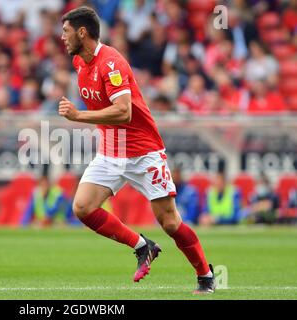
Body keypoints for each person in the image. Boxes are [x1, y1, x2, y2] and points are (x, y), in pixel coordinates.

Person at [59, 6, 215, 294]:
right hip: (111, 150)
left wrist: (79, 116)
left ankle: (205, 274)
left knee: (169, 222)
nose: (62, 37)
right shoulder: (81, 64)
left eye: (66, 31)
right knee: (82, 207)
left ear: (83, 32)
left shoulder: (111, 63)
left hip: (144, 151)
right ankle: (142, 246)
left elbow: (124, 112)